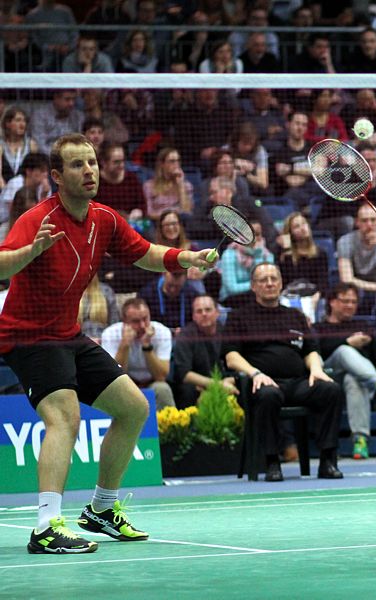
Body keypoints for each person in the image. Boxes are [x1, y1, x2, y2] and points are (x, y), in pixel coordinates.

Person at [0, 133, 215, 554]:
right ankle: (46, 526)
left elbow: (144, 252)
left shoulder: (104, 218)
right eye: (78, 165)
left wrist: (183, 258)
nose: (90, 171)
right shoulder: (37, 218)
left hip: (68, 334)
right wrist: (32, 249)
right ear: (57, 177)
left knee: (134, 407)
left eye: (92, 163)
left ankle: (101, 509)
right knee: (64, 417)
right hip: (28, 336)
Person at [223, 262, 344, 481]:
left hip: (297, 383)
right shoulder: (238, 317)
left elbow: (311, 351)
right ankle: (272, 462)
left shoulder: (295, 316)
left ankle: (328, 460)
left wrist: (316, 370)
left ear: (280, 283)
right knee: (269, 395)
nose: (269, 283)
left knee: (331, 390)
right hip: (262, 383)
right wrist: (255, 373)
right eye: (263, 280)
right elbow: (231, 357)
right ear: (253, 286)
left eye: (274, 279)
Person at [314, 283, 376, 460]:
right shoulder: (319, 328)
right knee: (344, 351)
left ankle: (360, 440)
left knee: (354, 379)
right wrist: (347, 342)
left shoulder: (363, 326)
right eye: (345, 301)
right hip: (329, 379)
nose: (350, 305)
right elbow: (319, 354)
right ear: (332, 302)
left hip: (358, 383)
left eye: (353, 301)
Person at [101, 296, 176, 410]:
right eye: (136, 321)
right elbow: (114, 378)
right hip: (125, 385)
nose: (142, 325)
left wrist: (146, 345)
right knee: (112, 393)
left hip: (153, 383)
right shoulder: (110, 335)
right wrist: (124, 345)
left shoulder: (162, 332)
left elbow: (161, 376)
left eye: (145, 319)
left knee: (163, 389)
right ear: (124, 322)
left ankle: (169, 426)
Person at [171, 294, 237, 408]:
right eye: (199, 311)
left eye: (208, 310)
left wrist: (231, 381)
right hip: (198, 385)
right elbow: (184, 374)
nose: (204, 314)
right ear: (193, 316)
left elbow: (237, 363)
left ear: (217, 313)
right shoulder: (185, 336)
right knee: (187, 390)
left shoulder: (228, 332)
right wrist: (216, 385)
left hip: (227, 382)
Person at [143, 147, 193, 221]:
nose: (176, 164)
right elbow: (149, 213)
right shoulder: (149, 186)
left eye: (178, 161)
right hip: (158, 223)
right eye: (172, 161)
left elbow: (187, 212)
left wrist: (181, 185)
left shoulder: (186, 186)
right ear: (162, 164)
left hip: (180, 223)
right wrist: (167, 217)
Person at [97, 142, 144, 220]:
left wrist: (138, 211)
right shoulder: (96, 181)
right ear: (103, 162)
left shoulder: (131, 179)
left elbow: (141, 204)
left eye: (123, 161)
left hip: (129, 224)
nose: (121, 165)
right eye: (116, 162)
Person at [0, 106, 40, 185]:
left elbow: (35, 171)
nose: (22, 124)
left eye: (24, 121)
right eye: (18, 120)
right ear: (7, 124)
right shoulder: (1, 145)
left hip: (26, 190)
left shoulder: (31, 145)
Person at [77, 273, 119, 343]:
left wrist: (102, 340)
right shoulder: (69, 292)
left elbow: (114, 324)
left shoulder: (106, 291)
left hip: (104, 342)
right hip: (79, 343)